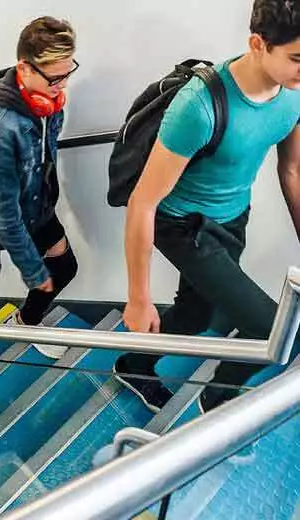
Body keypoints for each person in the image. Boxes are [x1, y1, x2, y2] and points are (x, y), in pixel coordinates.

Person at [116, 0, 300, 414]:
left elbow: (292, 170)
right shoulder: (197, 107)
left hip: (233, 217)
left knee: (196, 314)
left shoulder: (292, 93)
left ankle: (133, 365)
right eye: (297, 58)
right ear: (258, 44)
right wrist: (138, 297)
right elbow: (143, 202)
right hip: (183, 225)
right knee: (269, 329)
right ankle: (216, 400)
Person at [0, 17, 80, 374]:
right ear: (25, 68)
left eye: (68, 74)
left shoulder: (49, 103)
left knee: (64, 267)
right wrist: (32, 268)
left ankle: (26, 323)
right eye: (55, 78)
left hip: (34, 204)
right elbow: (1, 214)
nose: (63, 85)